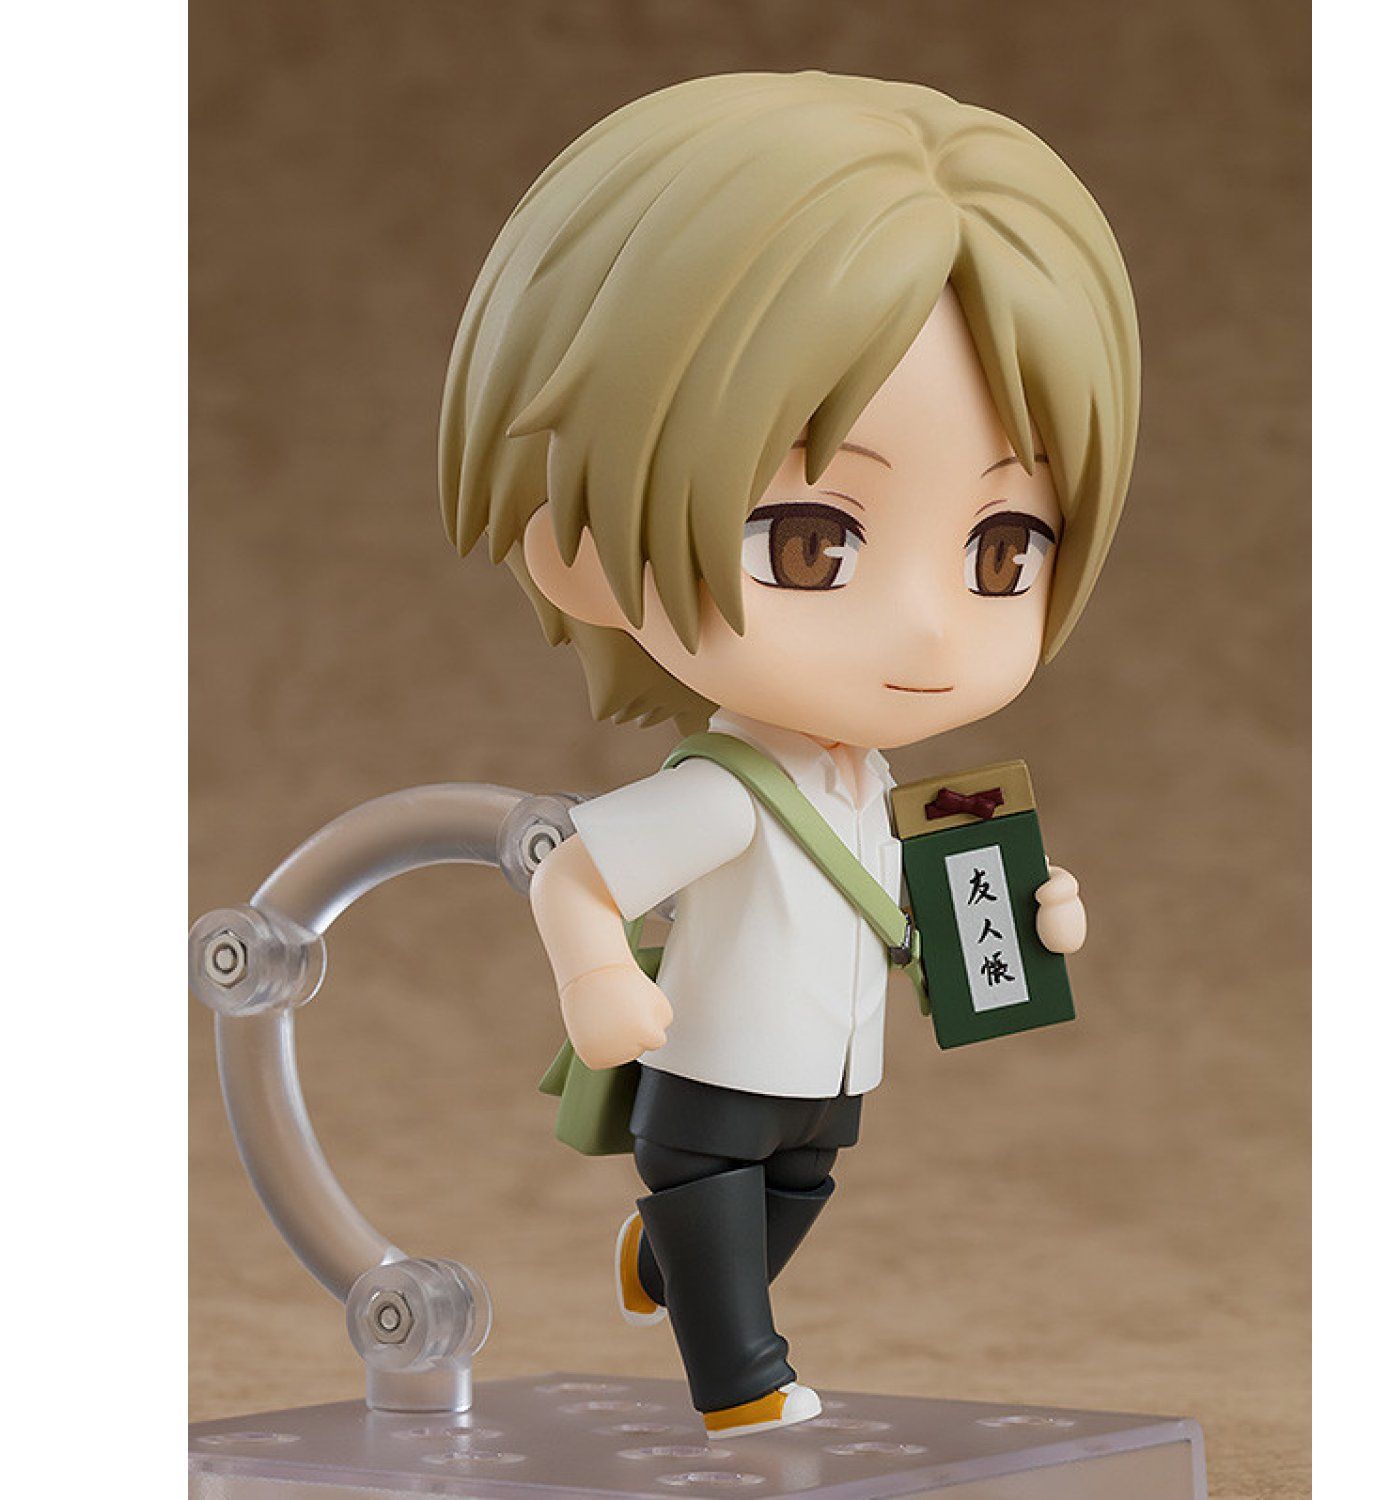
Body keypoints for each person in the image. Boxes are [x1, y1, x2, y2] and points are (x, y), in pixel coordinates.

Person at [438, 70, 1140, 1439]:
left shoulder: (883, 787)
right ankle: (741, 1384)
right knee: (718, 1205)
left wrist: (1037, 913)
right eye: (813, 543)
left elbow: (929, 899)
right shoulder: (722, 793)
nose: (928, 625)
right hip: (714, 1066)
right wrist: (595, 982)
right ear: (581, 551)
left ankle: (673, 1265)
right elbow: (576, 872)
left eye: (1004, 550)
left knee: (800, 1189)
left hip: (830, 1070)